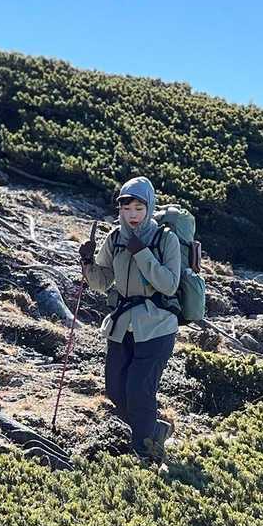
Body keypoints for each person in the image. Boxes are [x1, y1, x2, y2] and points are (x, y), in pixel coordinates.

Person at [80, 176, 181, 461]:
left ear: (149, 208)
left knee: (139, 391)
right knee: (115, 390)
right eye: (126, 209)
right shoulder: (114, 239)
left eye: (139, 208)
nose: (132, 215)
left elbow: (169, 284)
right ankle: (154, 430)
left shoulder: (166, 239)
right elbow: (102, 282)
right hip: (121, 326)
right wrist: (87, 263)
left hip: (157, 327)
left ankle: (145, 454)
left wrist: (141, 252)